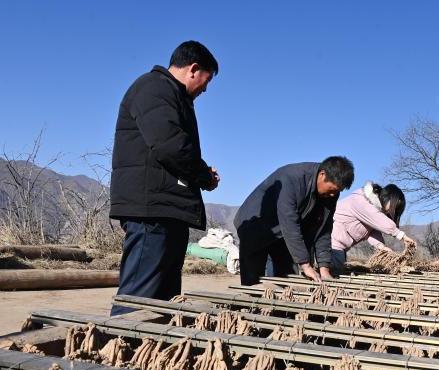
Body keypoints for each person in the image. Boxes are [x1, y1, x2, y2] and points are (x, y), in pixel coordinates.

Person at [109, 41, 220, 316]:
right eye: (206, 81)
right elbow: (170, 145)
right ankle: (119, 341)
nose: (205, 89)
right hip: (152, 211)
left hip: (166, 209)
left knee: (163, 301)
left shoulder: (171, 94)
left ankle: (148, 343)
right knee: (138, 300)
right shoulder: (154, 88)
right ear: (193, 69)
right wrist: (204, 176)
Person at [234, 156, 354, 285]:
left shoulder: (331, 194)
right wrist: (305, 265)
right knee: (253, 282)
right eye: (332, 189)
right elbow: (290, 222)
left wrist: (324, 269)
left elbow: (324, 229)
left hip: (282, 234)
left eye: (337, 191)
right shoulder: (293, 178)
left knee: (287, 279)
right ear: (322, 175)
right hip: (256, 225)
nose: (333, 195)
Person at [330, 182, 416, 273]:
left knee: (338, 271)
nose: (393, 210)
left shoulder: (374, 211)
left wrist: (381, 247)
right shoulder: (362, 200)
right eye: (393, 205)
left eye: (396, 208)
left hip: (338, 246)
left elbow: (371, 232)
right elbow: (379, 220)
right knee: (334, 272)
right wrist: (402, 235)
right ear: (387, 197)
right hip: (329, 243)